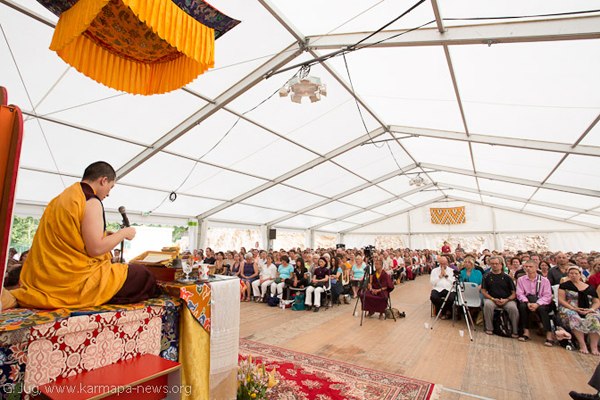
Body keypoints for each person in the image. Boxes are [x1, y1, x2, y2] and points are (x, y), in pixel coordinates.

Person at [11, 161, 157, 309]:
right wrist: (123, 233)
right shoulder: (91, 201)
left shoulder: (62, 198)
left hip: (46, 278)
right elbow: (95, 249)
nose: (108, 193)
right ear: (103, 180)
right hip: (72, 281)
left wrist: (105, 235)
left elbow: (73, 235)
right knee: (143, 275)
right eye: (110, 187)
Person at [558, 266, 600, 355]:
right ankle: (582, 344)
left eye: (576, 273)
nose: (573, 275)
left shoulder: (590, 288)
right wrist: (573, 308)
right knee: (573, 316)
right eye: (571, 273)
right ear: (568, 275)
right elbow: (561, 299)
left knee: (595, 318)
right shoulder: (564, 286)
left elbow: (596, 302)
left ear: (580, 275)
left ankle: (594, 346)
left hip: (587, 308)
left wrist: (591, 309)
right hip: (570, 308)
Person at [516, 261, 554, 345]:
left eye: (530, 266)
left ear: (536, 267)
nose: (528, 268)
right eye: (526, 267)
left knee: (542, 309)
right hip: (528, 300)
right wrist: (527, 302)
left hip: (541, 302)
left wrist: (537, 304)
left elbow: (547, 295)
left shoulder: (544, 280)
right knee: (522, 306)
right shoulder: (521, 279)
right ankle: (526, 332)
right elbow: (520, 293)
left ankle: (549, 334)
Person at [481, 256, 519, 338]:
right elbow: (483, 290)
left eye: (496, 264)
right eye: (492, 264)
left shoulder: (507, 277)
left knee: (513, 308)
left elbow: (514, 293)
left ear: (501, 265)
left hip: (507, 300)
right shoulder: (486, 276)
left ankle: (515, 331)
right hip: (492, 299)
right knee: (487, 305)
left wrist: (507, 299)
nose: (494, 265)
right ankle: (489, 328)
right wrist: (492, 299)